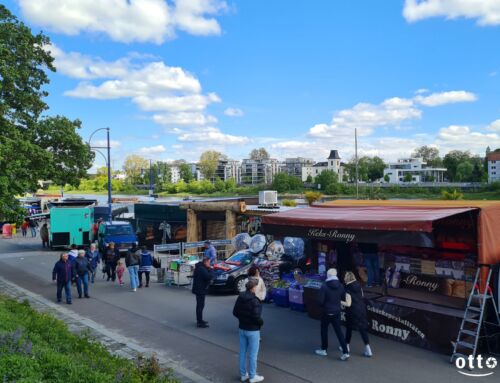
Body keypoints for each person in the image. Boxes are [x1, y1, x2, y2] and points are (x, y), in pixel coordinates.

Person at [233, 279, 265, 383]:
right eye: (256, 286)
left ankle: (243, 375)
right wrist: (261, 322)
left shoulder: (240, 297)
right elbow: (256, 317)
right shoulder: (254, 300)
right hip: (253, 330)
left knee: (242, 352)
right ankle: (252, 376)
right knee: (253, 354)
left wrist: (243, 319)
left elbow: (235, 312)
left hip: (242, 328)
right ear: (253, 288)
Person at [315, 268, 349, 361]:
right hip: (337, 311)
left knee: (324, 330)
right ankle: (345, 352)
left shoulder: (324, 286)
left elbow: (320, 301)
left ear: (328, 275)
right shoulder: (341, 285)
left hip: (326, 312)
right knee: (339, 332)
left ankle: (324, 349)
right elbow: (343, 297)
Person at [343, 271, 372, 357]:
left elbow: (348, 303)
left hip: (352, 311)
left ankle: (346, 346)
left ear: (347, 278)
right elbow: (362, 296)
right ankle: (368, 349)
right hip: (361, 309)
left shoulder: (347, 288)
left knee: (349, 329)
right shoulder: (359, 285)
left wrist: (339, 301)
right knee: (362, 329)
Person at [192, 257, 215, 328]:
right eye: (209, 262)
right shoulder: (201, 269)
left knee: (200, 305)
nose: (209, 264)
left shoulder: (201, 267)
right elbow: (208, 276)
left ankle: (200, 320)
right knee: (200, 306)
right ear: (205, 262)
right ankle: (199, 322)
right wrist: (211, 269)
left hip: (200, 289)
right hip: (200, 290)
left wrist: (209, 269)